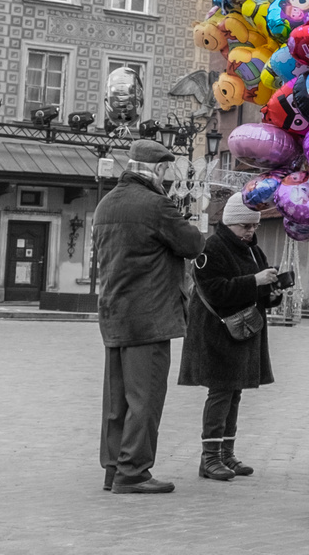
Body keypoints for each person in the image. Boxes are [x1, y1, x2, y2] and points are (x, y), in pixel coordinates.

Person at [93, 139, 205, 495]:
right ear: (156, 170)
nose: (166, 179)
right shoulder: (156, 205)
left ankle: (114, 468)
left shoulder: (106, 204)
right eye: (165, 172)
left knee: (117, 399)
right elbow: (192, 244)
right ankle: (134, 470)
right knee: (145, 398)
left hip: (114, 312)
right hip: (150, 315)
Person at [178, 194, 283, 482]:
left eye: (253, 226)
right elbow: (215, 290)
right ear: (230, 223)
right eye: (245, 226)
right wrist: (255, 282)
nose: (251, 231)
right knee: (221, 390)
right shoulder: (212, 248)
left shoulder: (252, 250)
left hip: (243, 330)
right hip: (216, 332)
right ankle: (209, 458)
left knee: (234, 390)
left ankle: (226, 453)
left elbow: (255, 289)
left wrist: (272, 292)